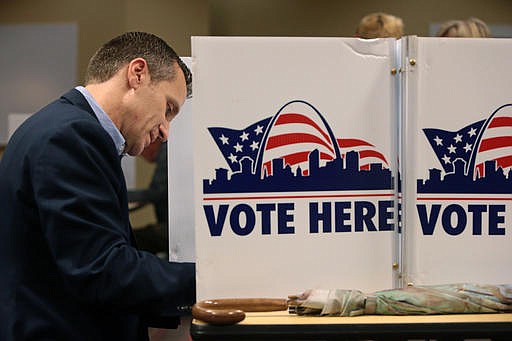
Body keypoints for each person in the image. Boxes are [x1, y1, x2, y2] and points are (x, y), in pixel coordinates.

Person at [0, 32, 195, 341]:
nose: (166, 131)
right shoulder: (71, 136)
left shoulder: (60, 126)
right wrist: (210, 282)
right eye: (169, 108)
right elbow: (102, 270)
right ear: (138, 74)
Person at [129, 139, 170, 257]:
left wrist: (119, 193)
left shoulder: (167, 151)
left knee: (130, 239)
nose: (140, 154)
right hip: (172, 226)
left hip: (172, 229)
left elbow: (156, 193)